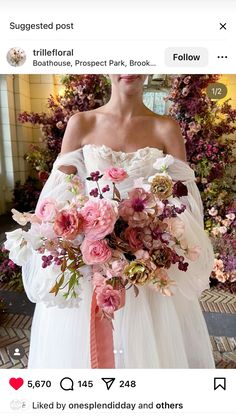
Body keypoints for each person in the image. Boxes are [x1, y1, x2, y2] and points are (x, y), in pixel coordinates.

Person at [22, 74, 215, 368]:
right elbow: (59, 195)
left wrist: (152, 233)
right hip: (91, 264)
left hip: (148, 266)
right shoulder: (81, 123)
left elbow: (184, 200)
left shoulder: (166, 128)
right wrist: (82, 229)